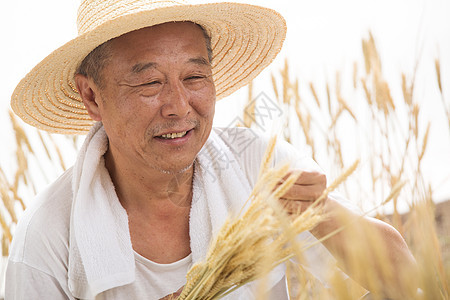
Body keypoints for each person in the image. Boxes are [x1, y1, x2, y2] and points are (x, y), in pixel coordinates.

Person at [6, 0, 417, 299]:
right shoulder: (47, 239)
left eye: (195, 76)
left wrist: (323, 213)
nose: (179, 106)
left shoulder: (258, 165)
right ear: (92, 96)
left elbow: (405, 282)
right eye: (149, 83)